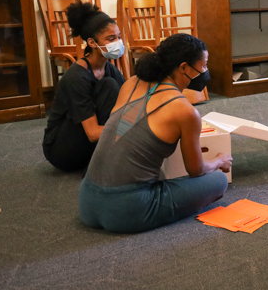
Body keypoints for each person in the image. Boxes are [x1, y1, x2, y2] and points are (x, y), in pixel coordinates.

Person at [78, 33, 230, 233]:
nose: (205, 71)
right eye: (204, 65)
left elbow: (124, 130)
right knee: (218, 181)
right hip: (127, 211)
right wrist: (219, 160)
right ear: (183, 67)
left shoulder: (131, 83)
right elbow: (196, 170)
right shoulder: (185, 111)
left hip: (87, 202)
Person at [42, 0, 126, 172]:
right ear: (92, 43)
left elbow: (131, 99)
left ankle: (106, 155)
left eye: (118, 36)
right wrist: (131, 130)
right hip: (61, 150)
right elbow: (93, 132)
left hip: (85, 140)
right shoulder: (76, 77)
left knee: (114, 88)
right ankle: (102, 160)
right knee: (111, 88)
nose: (117, 42)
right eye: (111, 38)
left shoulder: (108, 68)